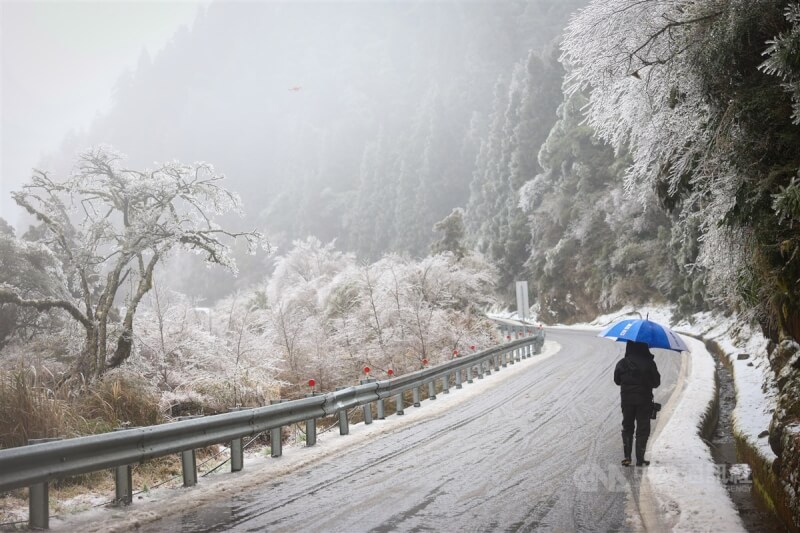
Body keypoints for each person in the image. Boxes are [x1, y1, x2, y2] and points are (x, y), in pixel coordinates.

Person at [613, 341, 661, 466]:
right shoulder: (650, 363)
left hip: (627, 401)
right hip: (644, 401)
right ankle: (640, 459)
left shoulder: (622, 363)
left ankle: (627, 457)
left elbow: (617, 381)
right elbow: (656, 383)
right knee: (642, 429)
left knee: (627, 427)